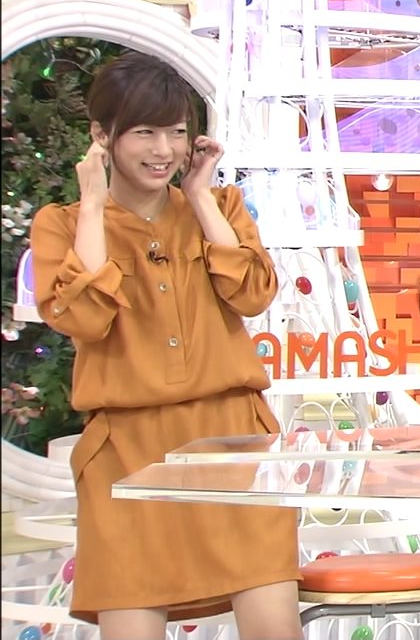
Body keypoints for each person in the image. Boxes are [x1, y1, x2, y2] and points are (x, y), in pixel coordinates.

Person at [31, 53, 301, 638]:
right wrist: (94, 207)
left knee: (275, 625)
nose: (163, 150)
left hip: (234, 446)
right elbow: (84, 318)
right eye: (144, 132)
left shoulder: (221, 208)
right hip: (128, 456)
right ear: (102, 136)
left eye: (176, 132)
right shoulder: (63, 223)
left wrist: (200, 196)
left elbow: (253, 293)